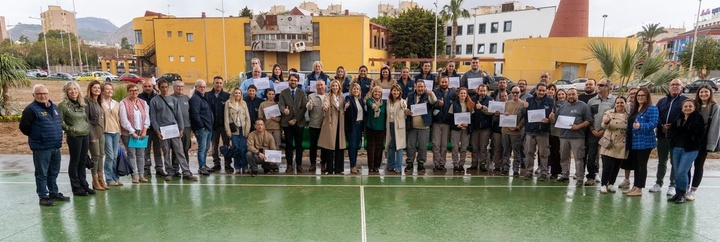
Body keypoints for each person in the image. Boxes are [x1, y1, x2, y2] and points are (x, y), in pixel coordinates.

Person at [20, 84, 70, 206]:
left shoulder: (54, 108)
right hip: (41, 147)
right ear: (34, 95)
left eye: (44, 93)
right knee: (42, 173)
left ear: (48, 94)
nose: (42, 96)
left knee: (54, 171)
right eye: (39, 94)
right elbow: (24, 127)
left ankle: (53, 192)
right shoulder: (30, 110)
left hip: (55, 146)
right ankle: (43, 196)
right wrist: (38, 136)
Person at [149, 79, 198, 181]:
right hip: (163, 131)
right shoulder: (154, 101)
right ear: (159, 88)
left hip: (174, 129)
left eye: (166, 87)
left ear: (168, 87)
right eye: (162, 87)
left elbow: (179, 116)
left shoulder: (173, 100)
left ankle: (186, 172)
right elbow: (153, 117)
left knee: (179, 151)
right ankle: (170, 172)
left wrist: (181, 129)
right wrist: (157, 130)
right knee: (166, 152)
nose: (164, 89)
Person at [651, 78, 687, 196]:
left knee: (674, 162)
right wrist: (661, 125)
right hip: (662, 136)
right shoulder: (662, 101)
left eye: (678, 84)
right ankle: (658, 183)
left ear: (682, 87)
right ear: (669, 87)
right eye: (673, 84)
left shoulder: (685, 101)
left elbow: (685, 117)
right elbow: (655, 116)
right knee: (662, 161)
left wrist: (672, 126)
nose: (675, 86)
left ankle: (672, 185)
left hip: (676, 138)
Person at [58, 81, 94, 196]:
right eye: (70, 89)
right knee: (75, 162)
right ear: (66, 92)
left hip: (85, 135)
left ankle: (84, 184)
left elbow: (84, 119)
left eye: (75, 89)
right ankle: (76, 187)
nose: (73, 91)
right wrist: (70, 129)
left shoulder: (81, 104)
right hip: (74, 137)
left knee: (83, 161)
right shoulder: (63, 105)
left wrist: (87, 129)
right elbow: (60, 122)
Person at [668, 99, 705, 204]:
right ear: (682, 108)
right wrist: (678, 133)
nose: (688, 108)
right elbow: (672, 131)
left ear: (694, 108)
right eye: (685, 106)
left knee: (682, 172)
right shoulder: (678, 118)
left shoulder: (698, 119)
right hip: (676, 148)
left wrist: (681, 132)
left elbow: (695, 133)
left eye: (690, 106)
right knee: (676, 172)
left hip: (690, 149)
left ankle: (683, 194)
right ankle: (678, 193)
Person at [687, 85, 720, 201]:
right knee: (687, 165)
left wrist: (710, 145)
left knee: (698, 165)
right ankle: (685, 188)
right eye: (701, 92)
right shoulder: (695, 105)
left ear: (710, 93)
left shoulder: (715, 107)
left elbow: (715, 126)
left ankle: (693, 190)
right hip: (691, 141)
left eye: (706, 92)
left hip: (703, 142)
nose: (703, 94)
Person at [554, 88, 592, 186]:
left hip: (578, 137)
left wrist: (578, 127)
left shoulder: (583, 106)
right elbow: (556, 118)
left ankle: (579, 178)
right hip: (563, 136)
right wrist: (552, 118)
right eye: (569, 95)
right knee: (563, 157)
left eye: (573, 94)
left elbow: (589, 120)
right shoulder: (562, 106)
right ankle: (565, 175)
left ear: (577, 95)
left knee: (578, 158)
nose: (571, 96)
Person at [624, 87, 658, 196]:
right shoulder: (635, 108)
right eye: (638, 95)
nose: (640, 97)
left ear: (647, 97)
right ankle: (635, 186)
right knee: (636, 165)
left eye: (642, 95)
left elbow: (654, 123)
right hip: (634, 141)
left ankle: (639, 188)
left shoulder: (652, 108)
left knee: (642, 165)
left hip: (645, 142)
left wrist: (641, 126)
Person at [584, 78, 616, 185]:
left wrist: (603, 131)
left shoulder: (614, 101)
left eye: (601, 85)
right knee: (591, 155)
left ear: (608, 87)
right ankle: (591, 176)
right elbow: (588, 117)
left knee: (606, 157)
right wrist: (592, 129)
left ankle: (606, 179)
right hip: (593, 133)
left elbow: (615, 117)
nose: (599, 87)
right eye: (598, 85)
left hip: (606, 135)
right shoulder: (591, 101)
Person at [521, 83, 553, 180]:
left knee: (543, 153)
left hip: (543, 132)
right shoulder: (529, 100)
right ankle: (529, 172)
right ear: (536, 90)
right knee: (529, 152)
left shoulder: (550, 101)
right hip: (530, 131)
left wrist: (548, 120)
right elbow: (522, 115)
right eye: (540, 90)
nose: (541, 92)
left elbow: (552, 116)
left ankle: (543, 172)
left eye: (543, 90)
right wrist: (524, 108)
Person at [119, 84, 150, 183]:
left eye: (136, 90)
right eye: (131, 90)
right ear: (128, 91)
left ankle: (141, 175)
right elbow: (123, 120)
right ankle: (134, 175)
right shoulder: (123, 103)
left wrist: (145, 129)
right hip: (128, 133)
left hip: (141, 132)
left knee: (141, 154)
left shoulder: (143, 103)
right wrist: (132, 132)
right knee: (131, 154)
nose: (134, 92)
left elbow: (147, 118)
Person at [279, 73, 309, 173]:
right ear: (288, 81)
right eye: (291, 80)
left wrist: (295, 119)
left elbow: (304, 108)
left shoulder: (302, 93)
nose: (293, 82)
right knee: (288, 145)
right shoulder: (283, 93)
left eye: (295, 80)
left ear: (298, 82)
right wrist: (284, 111)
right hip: (286, 123)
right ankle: (289, 165)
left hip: (299, 123)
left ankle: (299, 165)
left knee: (299, 145)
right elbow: (281, 105)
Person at [405, 81, 437, 173]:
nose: (420, 89)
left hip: (424, 126)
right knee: (410, 146)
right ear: (415, 87)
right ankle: (410, 163)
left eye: (421, 87)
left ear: (425, 87)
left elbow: (434, 102)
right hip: (412, 126)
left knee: (423, 146)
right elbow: (405, 107)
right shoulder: (410, 96)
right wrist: (406, 111)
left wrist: (432, 94)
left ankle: (421, 163)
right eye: (418, 87)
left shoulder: (428, 95)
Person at [598, 97, 629, 193]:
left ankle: (611, 183)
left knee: (616, 166)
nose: (619, 104)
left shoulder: (628, 115)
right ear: (615, 103)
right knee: (607, 166)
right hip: (609, 143)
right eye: (618, 102)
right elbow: (603, 125)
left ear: (625, 103)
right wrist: (606, 122)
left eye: (622, 102)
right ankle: (603, 184)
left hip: (622, 144)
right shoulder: (609, 113)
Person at [84, 81, 107, 190]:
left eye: (98, 88)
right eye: (95, 87)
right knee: (95, 156)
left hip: (101, 132)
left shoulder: (98, 101)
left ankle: (101, 178)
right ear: (90, 88)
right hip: (93, 132)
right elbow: (86, 119)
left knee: (101, 155)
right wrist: (91, 135)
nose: (97, 89)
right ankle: (95, 180)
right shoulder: (87, 101)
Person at [205, 76, 232, 173]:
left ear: (223, 84)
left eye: (220, 83)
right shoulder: (207, 95)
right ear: (213, 83)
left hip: (224, 126)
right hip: (213, 126)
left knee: (226, 145)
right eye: (217, 83)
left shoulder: (227, 96)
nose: (219, 85)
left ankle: (227, 164)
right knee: (214, 145)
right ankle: (216, 164)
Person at [319, 80, 346, 174]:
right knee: (330, 147)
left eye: (336, 85)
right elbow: (325, 103)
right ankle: (329, 169)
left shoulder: (342, 96)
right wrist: (325, 106)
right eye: (333, 86)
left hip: (340, 123)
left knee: (339, 146)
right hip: (330, 123)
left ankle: (339, 169)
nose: (335, 87)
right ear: (330, 87)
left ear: (339, 87)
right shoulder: (328, 96)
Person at [189, 80, 213, 175]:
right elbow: (195, 114)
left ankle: (204, 164)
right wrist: (201, 126)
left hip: (208, 127)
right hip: (202, 129)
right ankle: (201, 167)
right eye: (200, 87)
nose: (202, 88)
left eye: (204, 87)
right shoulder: (195, 98)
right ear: (196, 87)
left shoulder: (203, 97)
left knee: (206, 148)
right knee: (202, 148)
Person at [225, 87, 252, 174]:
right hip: (234, 129)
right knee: (236, 148)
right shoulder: (228, 103)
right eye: (236, 93)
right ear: (233, 94)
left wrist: (247, 130)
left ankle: (245, 166)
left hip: (243, 129)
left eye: (239, 93)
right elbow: (226, 118)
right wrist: (228, 131)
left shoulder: (244, 103)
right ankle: (237, 166)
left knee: (243, 148)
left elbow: (248, 118)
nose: (238, 95)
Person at [431, 76, 455, 172]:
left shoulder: (453, 93)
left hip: (447, 122)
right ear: (440, 82)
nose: (444, 83)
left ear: (448, 82)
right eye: (442, 82)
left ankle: (442, 163)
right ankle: (436, 163)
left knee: (444, 145)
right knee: (436, 144)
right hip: (437, 122)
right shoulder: (435, 92)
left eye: (446, 82)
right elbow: (430, 104)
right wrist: (437, 103)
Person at [101, 83, 123, 185]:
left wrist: (120, 132)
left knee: (115, 156)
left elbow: (119, 118)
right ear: (103, 91)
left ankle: (115, 178)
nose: (110, 91)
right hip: (106, 132)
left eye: (111, 89)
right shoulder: (100, 103)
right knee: (109, 156)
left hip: (116, 132)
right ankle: (109, 178)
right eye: (107, 89)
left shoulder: (117, 104)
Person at [138, 79, 161, 177]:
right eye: (145, 86)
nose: (147, 88)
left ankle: (159, 168)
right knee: (145, 150)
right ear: (142, 87)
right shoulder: (138, 98)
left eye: (149, 86)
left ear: (153, 87)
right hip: (144, 129)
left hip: (156, 128)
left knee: (158, 149)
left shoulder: (157, 97)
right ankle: (146, 168)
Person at [501, 86, 525, 177]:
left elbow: (524, 118)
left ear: (520, 93)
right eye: (513, 92)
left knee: (516, 152)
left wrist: (518, 127)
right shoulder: (506, 103)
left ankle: (516, 169)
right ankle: (505, 168)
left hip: (516, 132)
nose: (515, 94)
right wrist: (504, 114)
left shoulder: (523, 104)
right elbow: (500, 115)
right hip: (505, 131)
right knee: (506, 151)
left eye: (517, 93)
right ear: (511, 93)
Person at [449, 87, 474, 173]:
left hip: (465, 129)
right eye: (461, 93)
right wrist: (456, 125)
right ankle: (455, 164)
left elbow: (473, 118)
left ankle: (461, 164)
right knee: (455, 147)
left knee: (464, 148)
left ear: (466, 95)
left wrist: (468, 124)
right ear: (458, 95)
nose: (463, 95)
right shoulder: (454, 104)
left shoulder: (470, 104)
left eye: (464, 93)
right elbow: (451, 118)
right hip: (456, 129)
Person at [469, 84, 494, 172]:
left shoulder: (490, 100)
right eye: (481, 90)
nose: (482, 92)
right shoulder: (473, 99)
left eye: (484, 91)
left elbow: (491, 112)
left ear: (487, 91)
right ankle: (474, 164)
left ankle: (483, 164)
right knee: (475, 147)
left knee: (483, 147)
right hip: (475, 127)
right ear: (478, 91)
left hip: (485, 127)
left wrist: (482, 107)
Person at [618, 87, 639, 188]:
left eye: (635, 93)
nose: (632, 95)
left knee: (638, 160)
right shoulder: (625, 106)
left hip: (639, 138)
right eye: (631, 93)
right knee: (627, 159)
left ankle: (637, 183)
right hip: (627, 137)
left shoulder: (644, 107)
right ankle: (627, 180)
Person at [171, 80, 192, 177]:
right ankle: (175, 169)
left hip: (187, 127)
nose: (180, 88)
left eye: (181, 86)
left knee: (185, 149)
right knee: (176, 149)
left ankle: (186, 169)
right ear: (173, 87)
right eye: (178, 86)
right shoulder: (170, 99)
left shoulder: (187, 98)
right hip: (175, 128)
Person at [344, 83, 365, 174]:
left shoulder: (361, 100)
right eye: (354, 89)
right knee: (352, 146)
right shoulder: (348, 98)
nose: (355, 90)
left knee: (357, 146)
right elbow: (346, 104)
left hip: (359, 126)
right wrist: (346, 106)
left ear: (359, 91)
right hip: (352, 126)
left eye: (357, 89)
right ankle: (352, 166)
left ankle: (354, 164)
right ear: (351, 90)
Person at [306, 80, 327, 173]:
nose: (320, 87)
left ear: (325, 86)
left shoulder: (328, 96)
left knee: (324, 145)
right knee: (313, 145)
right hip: (314, 124)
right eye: (318, 85)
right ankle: (312, 163)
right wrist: (309, 106)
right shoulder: (311, 96)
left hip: (325, 125)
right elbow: (308, 107)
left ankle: (323, 163)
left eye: (321, 85)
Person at [386, 84, 406, 174]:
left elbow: (405, 108)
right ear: (391, 92)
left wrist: (407, 110)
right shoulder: (388, 101)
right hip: (389, 125)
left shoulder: (402, 101)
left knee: (399, 147)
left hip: (398, 127)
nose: (396, 92)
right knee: (391, 146)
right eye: (394, 90)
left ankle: (398, 167)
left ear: (400, 92)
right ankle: (390, 165)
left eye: (397, 91)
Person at [366, 86, 387, 173]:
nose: (377, 93)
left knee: (379, 148)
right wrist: (374, 106)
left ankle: (377, 166)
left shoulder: (385, 103)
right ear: (372, 93)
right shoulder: (369, 100)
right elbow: (370, 104)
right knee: (371, 148)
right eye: (375, 92)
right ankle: (370, 166)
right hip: (370, 127)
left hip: (381, 128)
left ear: (381, 94)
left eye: (379, 92)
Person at [547, 85, 563, 179]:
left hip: (561, 132)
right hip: (551, 131)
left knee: (560, 153)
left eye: (562, 94)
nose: (561, 96)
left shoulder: (565, 105)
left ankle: (560, 171)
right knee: (551, 152)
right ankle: (552, 171)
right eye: (559, 94)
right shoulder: (551, 104)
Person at [258, 89, 282, 153]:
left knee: (277, 145)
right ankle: (267, 162)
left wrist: (275, 119)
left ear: (274, 95)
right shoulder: (262, 104)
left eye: (272, 94)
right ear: (267, 95)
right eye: (269, 94)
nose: (271, 96)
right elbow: (260, 117)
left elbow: (280, 118)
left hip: (276, 128)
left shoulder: (278, 104)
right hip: (266, 128)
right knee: (266, 146)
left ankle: (276, 162)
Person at [490, 91, 509, 174]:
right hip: (497, 130)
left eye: (505, 96)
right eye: (502, 96)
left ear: (507, 97)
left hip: (508, 130)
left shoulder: (510, 106)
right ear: (500, 97)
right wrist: (496, 116)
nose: (504, 97)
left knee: (506, 149)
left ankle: (505, 166)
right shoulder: (496, 106)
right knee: (497, 149)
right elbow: (492, 120)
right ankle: (497, 166)